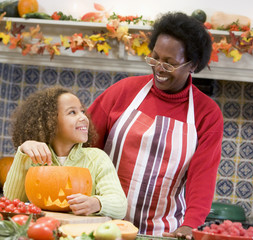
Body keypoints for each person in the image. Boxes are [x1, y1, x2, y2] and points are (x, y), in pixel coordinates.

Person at [88, 12, 224, 238]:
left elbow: (203, 176)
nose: (159, 68)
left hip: (162, 232)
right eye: (155, 58)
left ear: (193, 65)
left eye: (170, 64)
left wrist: (190, 224)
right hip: (103, 224)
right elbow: (83, 143)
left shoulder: (207, 114)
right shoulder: (124, 91)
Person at [3, 87, 127, 219]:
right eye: (72, 112)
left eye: (82, 111)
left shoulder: (97, 158)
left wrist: (97, 203)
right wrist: (22, 152)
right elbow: (11, 200)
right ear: (49, 122)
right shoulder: (33, 157)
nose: (83, 117)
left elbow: (120, 206)